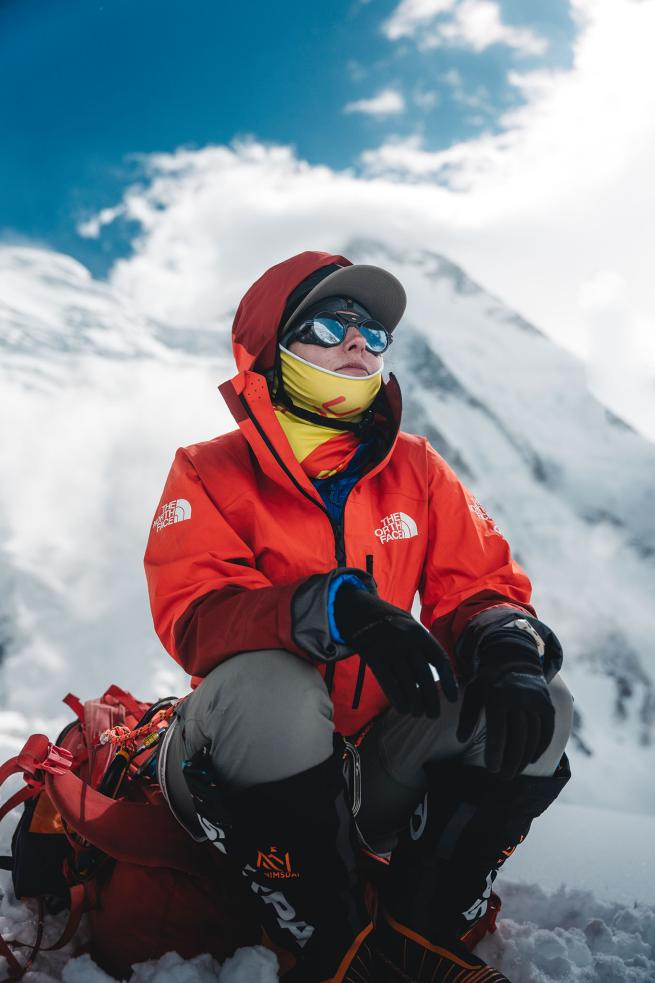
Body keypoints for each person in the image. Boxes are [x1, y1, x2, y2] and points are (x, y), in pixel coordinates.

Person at [144, 251, 573, 983]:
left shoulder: (417, 469)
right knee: (273, 684)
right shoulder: (208, 471)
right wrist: (329, 608)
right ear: (267, 352)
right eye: (328, 324)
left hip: (373, 767)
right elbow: (197, 614)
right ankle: (327, 939)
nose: (357, 341)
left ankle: (420, 927)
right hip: (239, 768)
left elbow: (478, 583)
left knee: (540, 705)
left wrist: (503, 640)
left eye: (372, 332)